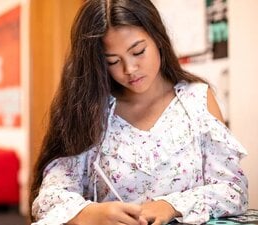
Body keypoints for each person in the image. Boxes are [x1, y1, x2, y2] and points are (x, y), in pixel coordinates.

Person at [29, 0, 248, 225]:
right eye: (113, 61)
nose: (129, 69)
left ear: (158, 39)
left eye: (138, 51)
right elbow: (49, 197)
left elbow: (232, 191)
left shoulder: (197, 100)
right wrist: (89, 214)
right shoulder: (91, 109)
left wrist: (171, 206)